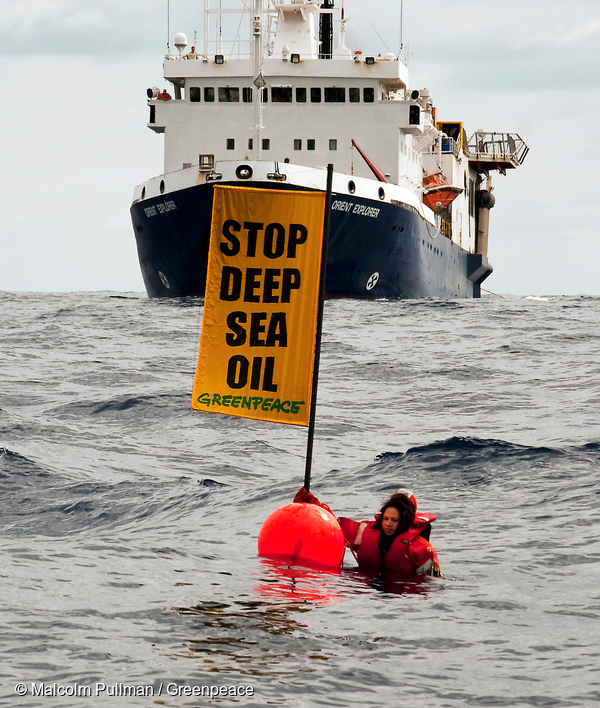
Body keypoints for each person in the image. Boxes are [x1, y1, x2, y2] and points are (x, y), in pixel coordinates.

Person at [294, 486, 440, 576]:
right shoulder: (366, 533)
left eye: (394, 520)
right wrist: (313, 506)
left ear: (404, 520)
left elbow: (430, 584)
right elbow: (334, 527)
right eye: (386, 519)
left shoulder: (421, 549)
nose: (388, 524)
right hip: (365, 587)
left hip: (402, 596)